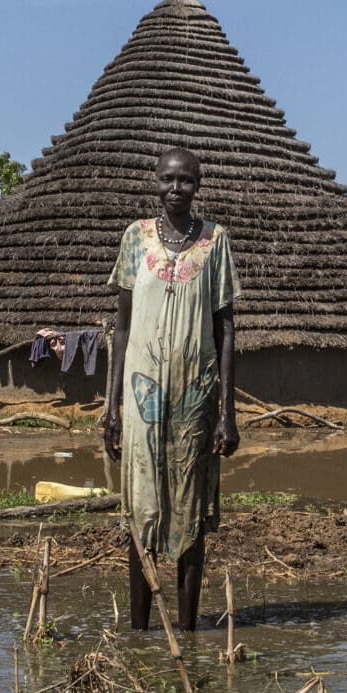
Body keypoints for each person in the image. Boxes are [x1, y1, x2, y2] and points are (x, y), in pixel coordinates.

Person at [102, 146, 239, 632]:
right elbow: (120, 328)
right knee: (139, 510)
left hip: (195, 396)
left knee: (192, 511)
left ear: (198, 184)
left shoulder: (215, 240)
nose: (176, 188)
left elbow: (226, 329)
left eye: (185, 181)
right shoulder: (135, 238)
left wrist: (228, 412)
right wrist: (111, 405)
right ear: (155, 181)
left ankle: (188, 630)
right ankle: (139, 632)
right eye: (168, 179)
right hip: (141, 401)